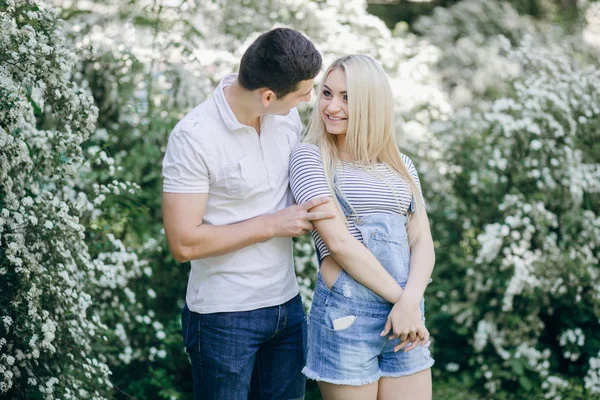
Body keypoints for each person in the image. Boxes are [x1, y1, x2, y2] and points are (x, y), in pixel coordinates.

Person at [161, 28, 334, 400]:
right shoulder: (193, 137)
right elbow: (183, 243)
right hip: (224, 317)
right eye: (305, 92)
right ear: (268, 96)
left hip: (287, 307)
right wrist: (273, 224)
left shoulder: (284, 119)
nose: (310, 99)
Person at [289, 54, 436, 400]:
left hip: (406, 317)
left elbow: (423, 243)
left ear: (371, 104)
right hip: (348, 318)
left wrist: (410, 304)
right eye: (327, 94)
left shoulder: (400, 167)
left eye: (346, 98)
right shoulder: (310, 157)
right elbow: (339, 244)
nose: (332, 106)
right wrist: (404, 302)